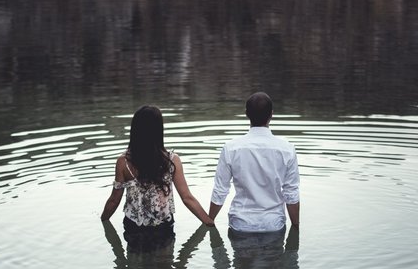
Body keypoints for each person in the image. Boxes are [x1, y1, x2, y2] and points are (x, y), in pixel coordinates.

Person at [102, 105, 214, 246]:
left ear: (135, 130)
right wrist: (209, 221)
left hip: (134, 227)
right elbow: (187, 198)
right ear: (159, 131)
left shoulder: (123, 162)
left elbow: (114, 200)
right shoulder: (172, 161)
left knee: (135, 264)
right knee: (164, 265)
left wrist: (103, 220)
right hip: (163, 227)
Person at [208, 92, 300, 232]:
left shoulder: (231, 149)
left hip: (241, 224)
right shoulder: (287, 149)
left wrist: (210, 220)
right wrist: (296, 227)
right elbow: (291, 192)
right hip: (273, 225)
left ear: (246, 114)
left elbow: (220, 190)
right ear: (272, 115)